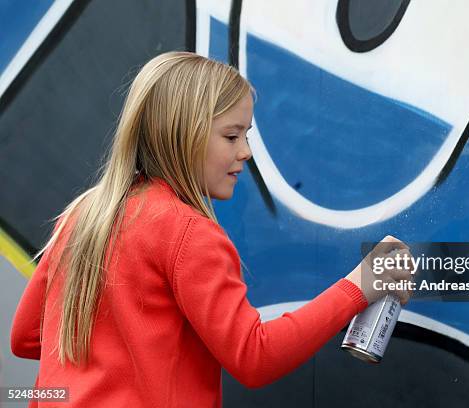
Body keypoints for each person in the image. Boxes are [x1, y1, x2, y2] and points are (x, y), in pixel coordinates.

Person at [10, 52, 413, 407]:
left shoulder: (84, 215)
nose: (246, 152)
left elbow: (26, 338)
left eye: (246, 136)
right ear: (182, 134)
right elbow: (256, 357)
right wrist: (360, 285)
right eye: (232, 135)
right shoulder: (188, 234)